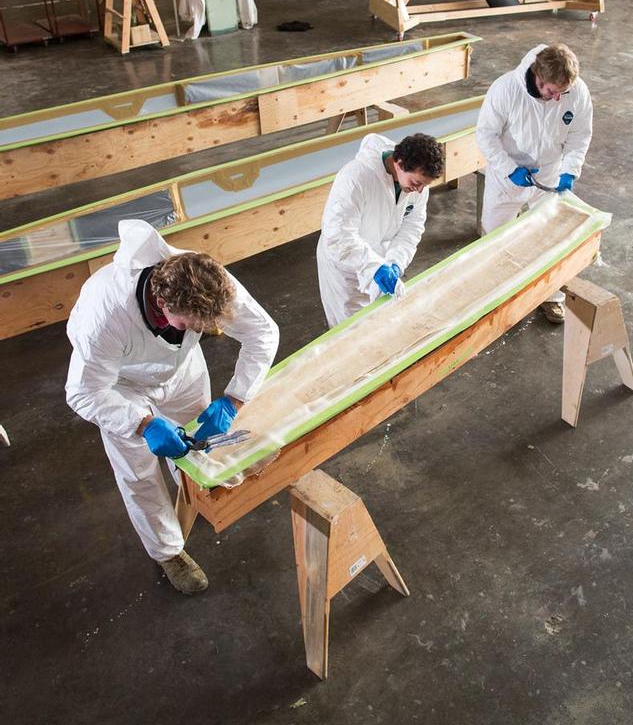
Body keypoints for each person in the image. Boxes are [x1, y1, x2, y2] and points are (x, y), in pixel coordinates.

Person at [65, 219, 279, 595]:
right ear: (163, 305)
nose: (206, 329)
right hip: (121, 388)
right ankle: (167, 551)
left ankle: (201, 498)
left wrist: (233, 398)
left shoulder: (203, 278)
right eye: (193, 323)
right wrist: (144, 424)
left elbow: (263, 332)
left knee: (202, 446)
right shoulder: (105, 313)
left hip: (181, 372)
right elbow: (83, 392)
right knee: (139, 473)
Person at [476, 42, 593, 323]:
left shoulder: (575, 92)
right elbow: (486, 135)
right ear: (538, 78)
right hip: (508, 175)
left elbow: (580, 135)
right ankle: (496, 298)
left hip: (549, 173)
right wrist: (509, 168)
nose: (557, 98)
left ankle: (551, 296)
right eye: (552, 91)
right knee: (494, 236)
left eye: (562, 92)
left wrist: (570, 169)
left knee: (549, 237)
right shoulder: (506, 89)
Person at [316, 132, 444, 327]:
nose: (419, 190)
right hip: (347, 265)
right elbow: (338, 236)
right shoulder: (355, 178)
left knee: (380, 324)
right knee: (351, 332)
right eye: (417, 183)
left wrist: (395, 262)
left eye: (424, 185)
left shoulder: (417, 187)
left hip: (381, 260)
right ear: (399, 163)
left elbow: (412, 227)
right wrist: (373, 266)